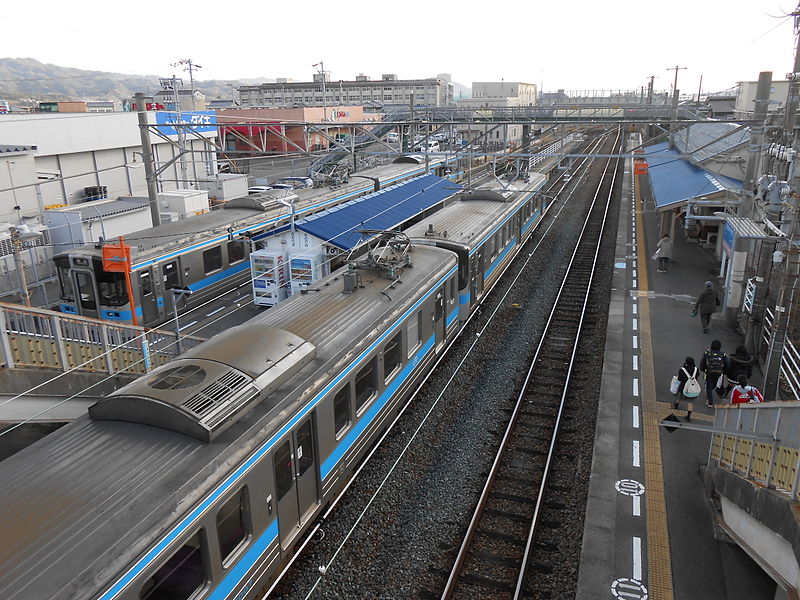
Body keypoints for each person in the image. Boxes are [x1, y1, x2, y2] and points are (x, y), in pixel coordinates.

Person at [700, 339, 729, 408]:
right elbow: (727, 364)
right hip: (718, 372)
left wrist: (703, 369)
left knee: (709, 386)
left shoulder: (707, 352)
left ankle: (710, 401)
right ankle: (709, 392)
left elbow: (703, 361)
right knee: (714, 384)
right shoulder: (723, 355)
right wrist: (724, 371)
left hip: (709, 372)